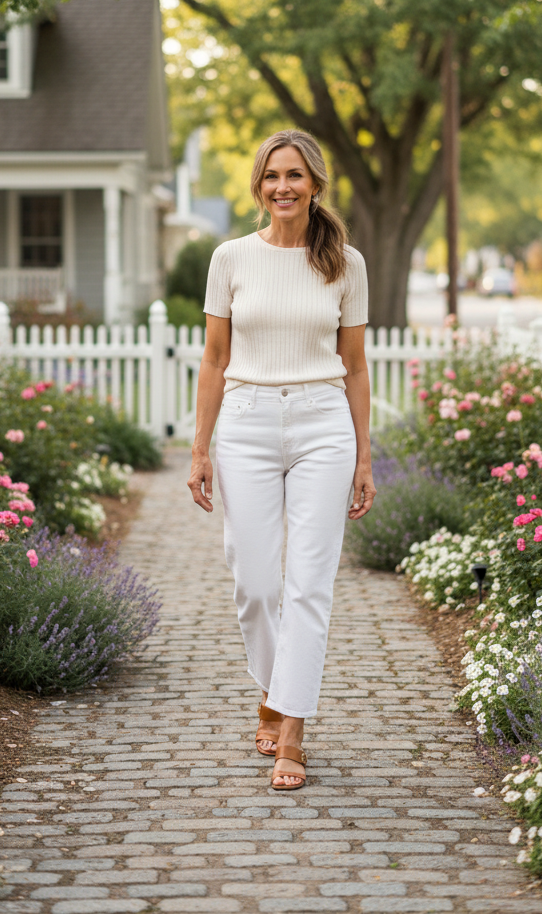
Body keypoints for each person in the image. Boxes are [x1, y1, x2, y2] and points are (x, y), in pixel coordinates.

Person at [187, 129, 376, 790]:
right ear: (258, 186)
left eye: (294, 175)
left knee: (309, 583)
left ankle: (292, 728)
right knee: (256, 582)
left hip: (324, 422)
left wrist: (364, 458)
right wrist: (200, 447)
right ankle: (273, 689)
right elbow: (215, 359)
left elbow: (356, 367)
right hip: (247, 422)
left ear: (315, 184)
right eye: (272, 176)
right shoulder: (231, 258)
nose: (283, 187)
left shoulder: (345, 263)